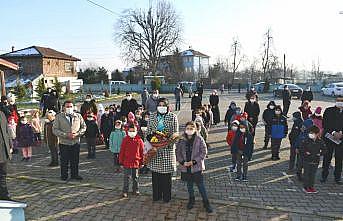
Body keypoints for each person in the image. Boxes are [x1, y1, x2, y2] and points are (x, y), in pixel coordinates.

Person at [176, 121, 213, 213]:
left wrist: (194, 161)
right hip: (185, 166)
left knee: (200, 185)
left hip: (196, 167)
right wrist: (182, 162)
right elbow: (178, 152)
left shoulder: (199, 138)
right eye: (188, 128)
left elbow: (203, 152)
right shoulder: (182, 139)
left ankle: (206, 202)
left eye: (191, 128)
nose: (189, 130)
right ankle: (191, 200)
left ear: (195, 129)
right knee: (189, 185)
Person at [147, 98, 178, 203]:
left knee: (166, 177)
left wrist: (168, 141)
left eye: (163, 105)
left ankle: (166, 197)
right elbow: (148, 132)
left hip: (167, 150)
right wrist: (152, 140)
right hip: (155, 149)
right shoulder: (152, 116)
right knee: (155, 176)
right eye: (159, 105)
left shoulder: (173, 117)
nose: (161, 107)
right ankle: (156, 196)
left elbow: (176, 133)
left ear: (167, 106)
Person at [53, 100, 86, 181]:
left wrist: (77, 134)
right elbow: (55, 130)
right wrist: (66, 135)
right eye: (67, 106)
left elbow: (84, 127)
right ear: (63, 107)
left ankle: (75, 175)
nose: (69, 108)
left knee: (75, 160)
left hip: (75, 142)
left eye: (71, 106)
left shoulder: (78, 116)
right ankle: (64, 175)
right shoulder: (59, 117)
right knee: (64, 160)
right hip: (64, 143)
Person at [321, 96, 343, 184]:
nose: (340, 102)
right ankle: (324, 176)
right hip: (329, 138)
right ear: (335, 101)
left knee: (339, 159)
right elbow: (325, 123)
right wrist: (334, 133)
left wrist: (341, 133)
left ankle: (337, 178)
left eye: (342, 101)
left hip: (341, 140)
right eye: (338, 100)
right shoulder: (328, 110)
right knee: (327, 158)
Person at [119, 124, 144, 198]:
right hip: (126, 162)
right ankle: (125, 191)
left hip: (136, 162)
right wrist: (120, 162)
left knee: (135, 177)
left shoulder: (139, 140)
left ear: (136, 131)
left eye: (133, 131)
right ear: (128, 131)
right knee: (126, 177)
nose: (132, 132)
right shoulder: (125, 139)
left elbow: (142, 152)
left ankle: (135, 190)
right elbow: (122, 151)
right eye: (130, 131)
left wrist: (142, 162)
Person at [300, 125, 326, 194]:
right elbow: (301, 149)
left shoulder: (320, 141)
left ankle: (311, 187)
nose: (311, 134)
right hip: (307, 160)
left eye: (312, 133)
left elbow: (325, 150)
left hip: (315, 161)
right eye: (310, 133)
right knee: (306, 174)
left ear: (317, 134)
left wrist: (320, 154)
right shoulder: (306, 140)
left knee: (313, 175)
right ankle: (305, 187)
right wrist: (306, 152)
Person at [0, 110, 13, 200]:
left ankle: (4, 196)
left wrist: (10, 145)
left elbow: (6, 131)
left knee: (3, 175)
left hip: (3, 151)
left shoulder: (1, 114)